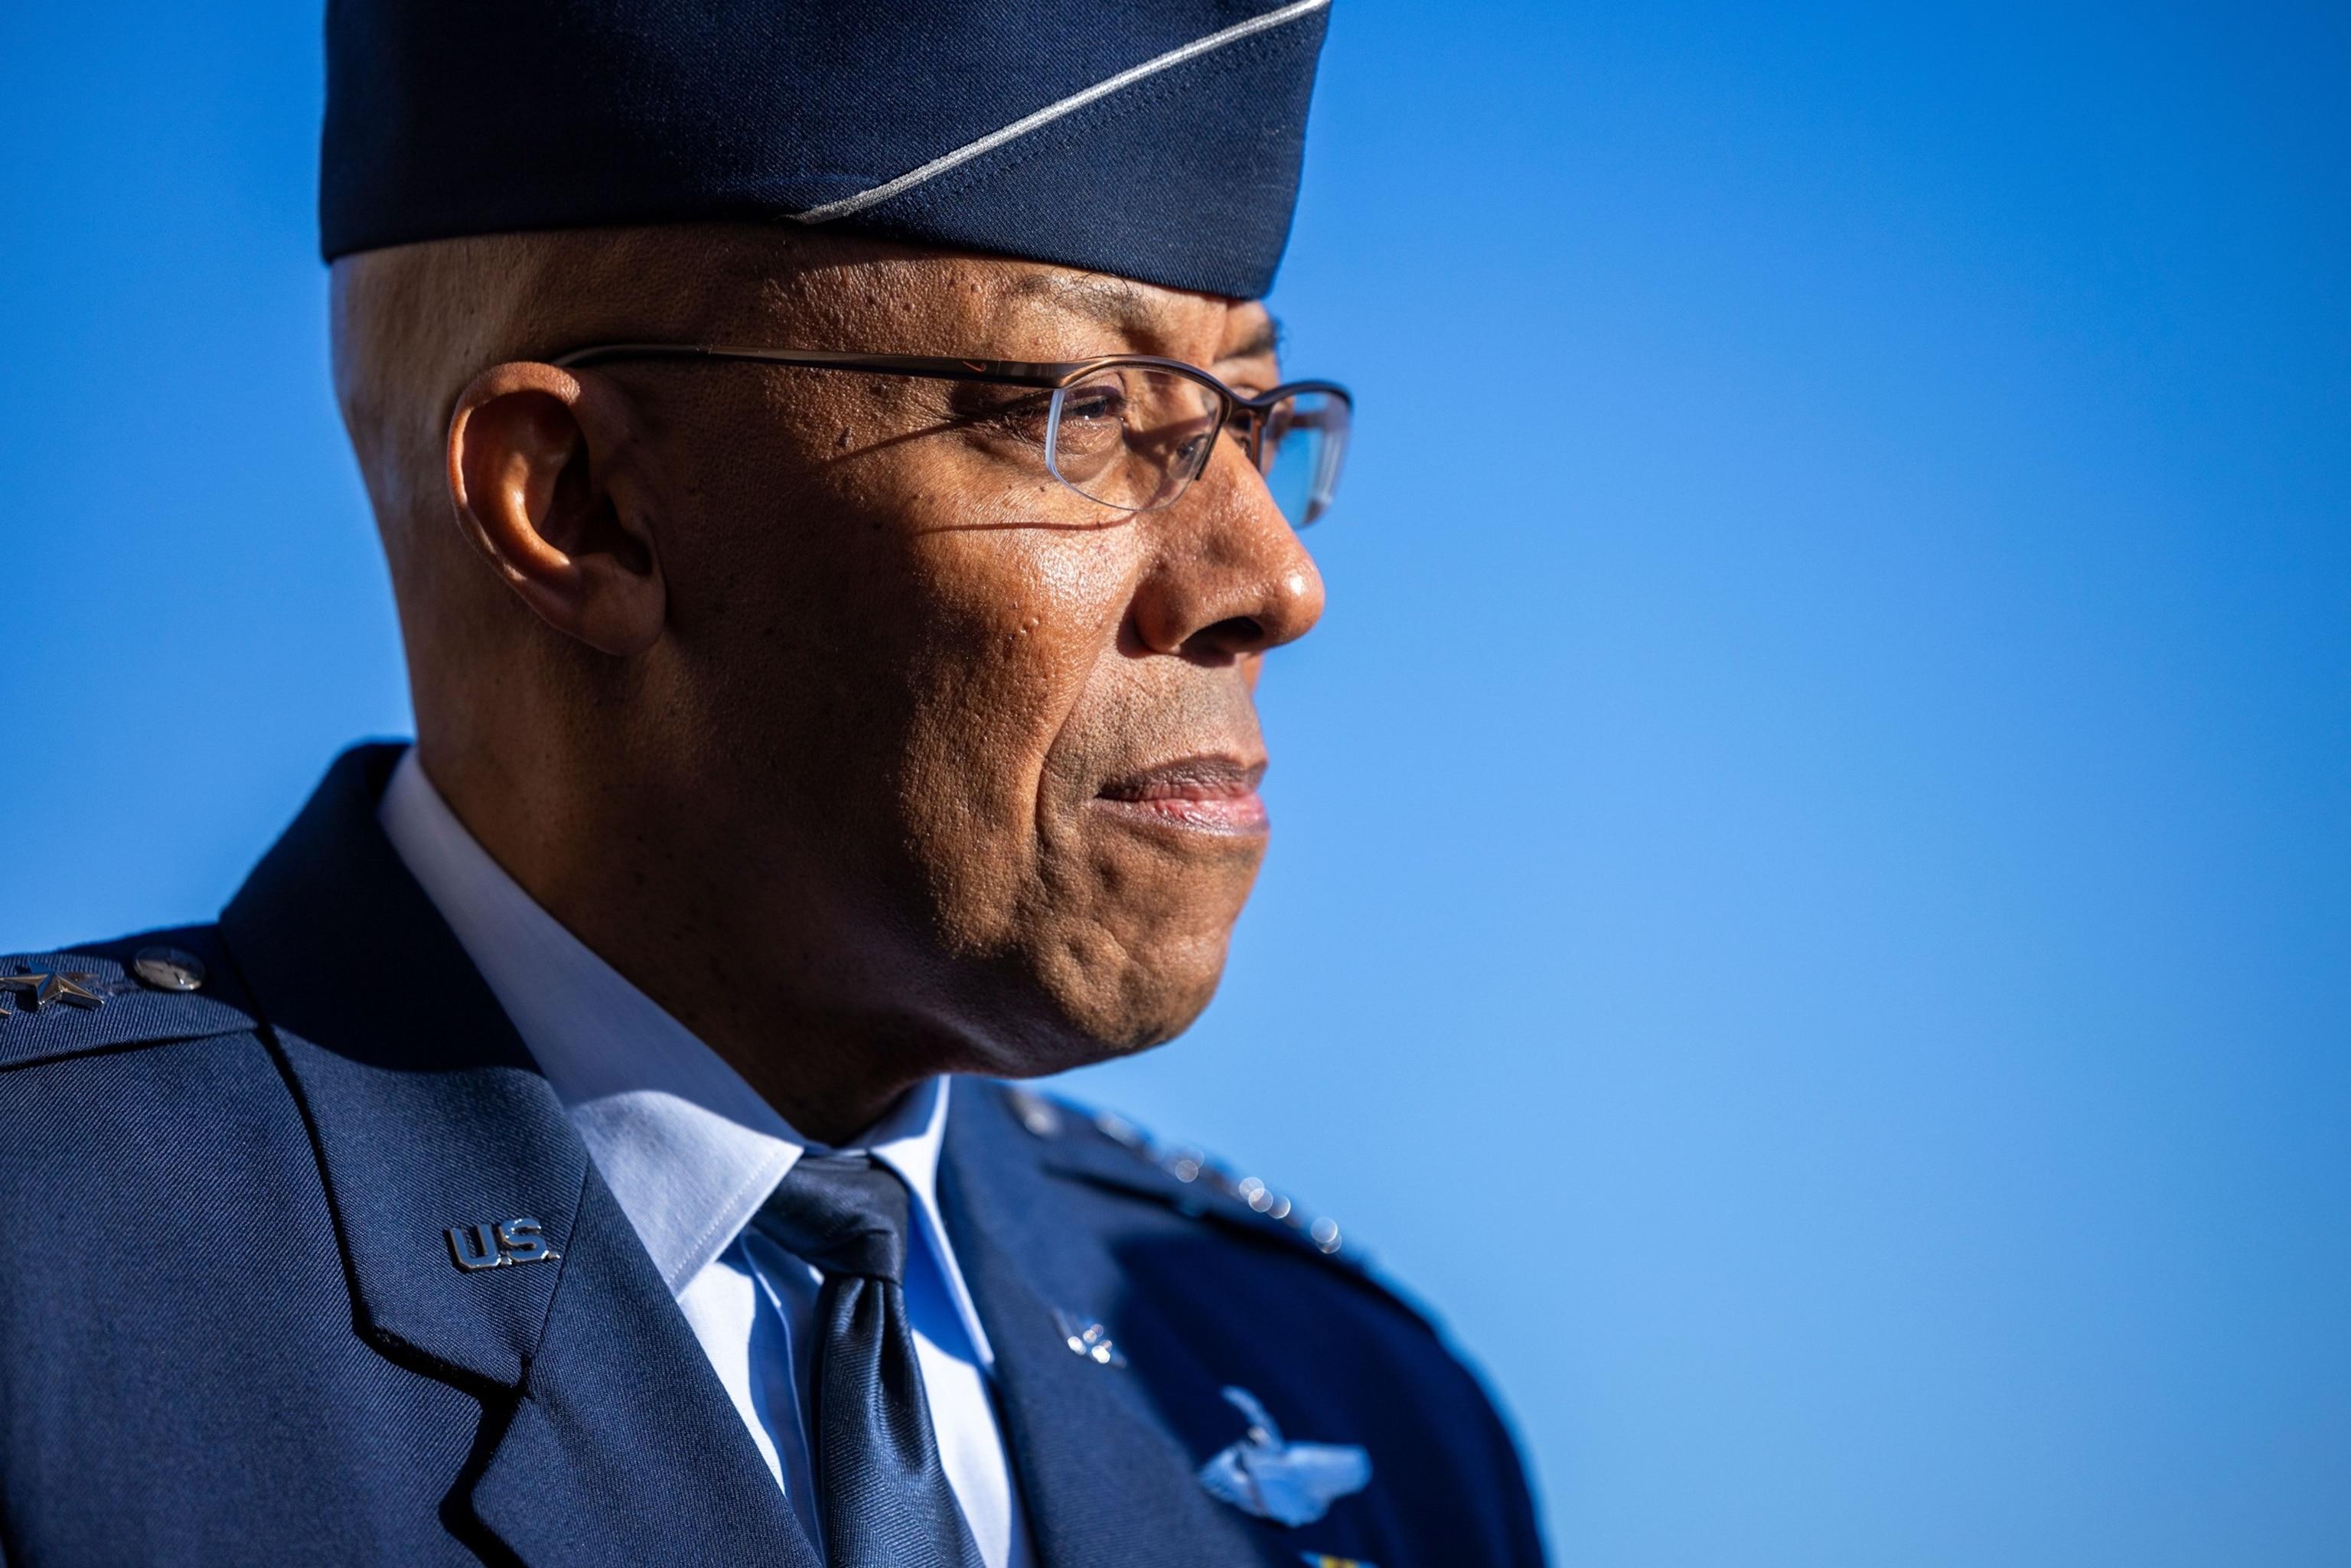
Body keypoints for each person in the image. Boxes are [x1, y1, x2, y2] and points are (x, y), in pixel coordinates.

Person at [0, 2, 1545, 1563]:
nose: (1276, 580)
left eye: (1253, 424)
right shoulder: (46, 1290)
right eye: (1087, 412)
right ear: (582, 506)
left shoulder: (1358, 1412)